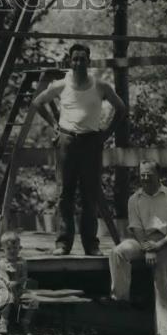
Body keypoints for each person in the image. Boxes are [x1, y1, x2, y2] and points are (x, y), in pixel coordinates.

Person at [31, 43, 126, 256]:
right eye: (75, 59)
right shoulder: (61, 85)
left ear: (88, 61)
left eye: (82, 59)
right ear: (69, 61)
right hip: (67, 142)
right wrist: (54, 124)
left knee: (89, 193)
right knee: (65, 192)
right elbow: (38, 102)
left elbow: (121, 108)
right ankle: (63, 243)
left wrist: (107, 133)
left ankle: (91, 245)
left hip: (91, 142)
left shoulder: (100, 86)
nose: (78, 63)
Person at [107, 161, 167, 335]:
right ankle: (120, 298)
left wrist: (159, 246)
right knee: (118, 252)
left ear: (158, 175)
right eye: (142, 174)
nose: (145, 178)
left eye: (149, 174)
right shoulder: (135, 199)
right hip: (142, 240)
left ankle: (166, 334)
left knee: (164, 284)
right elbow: (135, 227)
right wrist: (148, 248)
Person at [0, 231, 29, 335]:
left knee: (32, 300)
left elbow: (24, 276)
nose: (12, 251)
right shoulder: (2, 262)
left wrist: (18, 282)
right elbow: (3, 277)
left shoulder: (22, 262)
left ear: (20, 248)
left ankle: (25, 322)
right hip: (5, 286)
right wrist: (10, 283)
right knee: (8, 297)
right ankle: (3, 322)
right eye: (9, 249)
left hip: (18, 286)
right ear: (3, 250)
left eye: (15, 248)